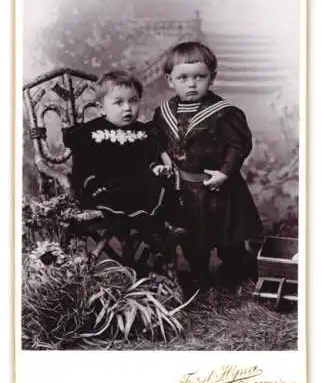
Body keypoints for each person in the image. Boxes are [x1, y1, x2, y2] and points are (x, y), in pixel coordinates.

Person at [152, 41, 263, 295]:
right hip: (187, 190)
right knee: (193, 239)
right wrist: (163, 158)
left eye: (199, 77)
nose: (191, 84)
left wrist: (225, 172)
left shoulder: (223, 113)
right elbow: (155, 137)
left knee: (228, 238)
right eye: (183, 78)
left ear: (212, 78)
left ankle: (235, 272)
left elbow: (238, 145)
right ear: (170, 80)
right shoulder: (164, 113)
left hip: (220, 188)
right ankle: (199, 276)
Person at [63, 70, 180, 269]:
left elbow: (148, 160)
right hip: (104, 185)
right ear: (101, 108)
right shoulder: (91, 133)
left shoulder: (143, 132)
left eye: (133, 101)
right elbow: (84, 165)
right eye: (118, 103)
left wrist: (157, 168)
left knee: (160, 185)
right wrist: (88, 183)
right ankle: (150, 236)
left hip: (138, 184)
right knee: (115, 190)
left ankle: (168, 238)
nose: (128, 108)